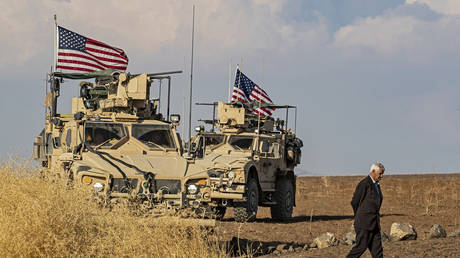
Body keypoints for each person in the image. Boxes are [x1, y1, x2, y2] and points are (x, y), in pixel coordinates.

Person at [347, 162, 385, 258]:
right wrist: (360, 215)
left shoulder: (376, 185)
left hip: (375, 223)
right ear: (373, 171)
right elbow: (355, 202)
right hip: (364, 223)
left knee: (378, 251)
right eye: (380, 173)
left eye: (382, 173)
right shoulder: (364, 184)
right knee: (361, 247)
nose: (382, 176)